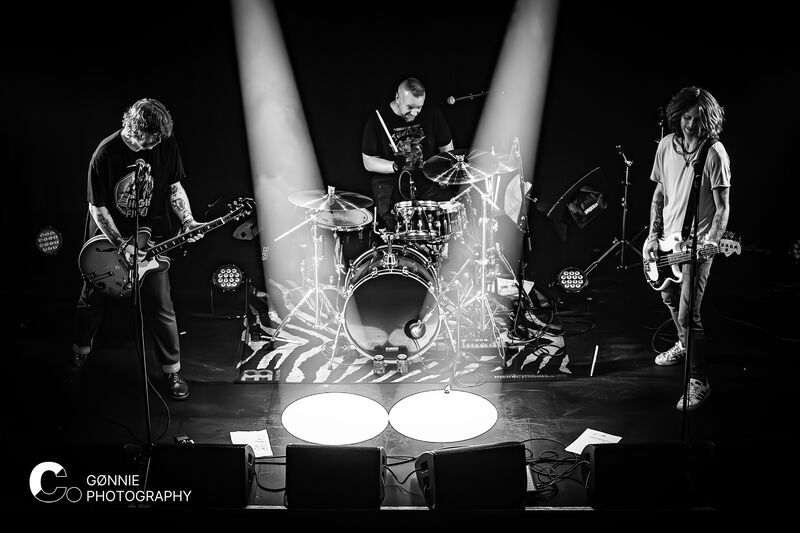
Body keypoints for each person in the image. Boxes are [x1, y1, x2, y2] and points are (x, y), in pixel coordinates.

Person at [72, 98, 204, 401]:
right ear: (134, 128)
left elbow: (174, 187)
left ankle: (172, 370)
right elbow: (97, 207)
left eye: (159, 139)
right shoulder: (105, 154)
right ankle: (79, 356)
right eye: (151, 138)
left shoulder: (165, 144)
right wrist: (120, 244)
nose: (155, 144)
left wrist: (188, 220)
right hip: (107, 241)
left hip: (149, 238)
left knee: (160, 301)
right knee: (91, 298)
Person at [643, 86, 731, 411]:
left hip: (697, 245)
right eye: (687, 117)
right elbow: (659, 194)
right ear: (677, 115)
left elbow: (723, 208)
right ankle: (684, 344)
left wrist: (712, 242)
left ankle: (698, 381)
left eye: (698, 119)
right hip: (667, 241)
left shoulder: (715, 154)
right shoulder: (666, 145)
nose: (691, 125)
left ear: (709, 120)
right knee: (668, 296)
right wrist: (652, 237)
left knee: (687, 313)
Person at [361, 77, 455, 231]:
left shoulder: (432, 113)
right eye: (410, 107)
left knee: (447, 219)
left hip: (426, 181)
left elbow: (446, 148)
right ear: (398, 97)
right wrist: (393, 166)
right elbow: (368, 161)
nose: (415, 112)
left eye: (419, 107)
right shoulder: (378, 119)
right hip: (391, 186)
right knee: (397, 232)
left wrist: (445, 172)